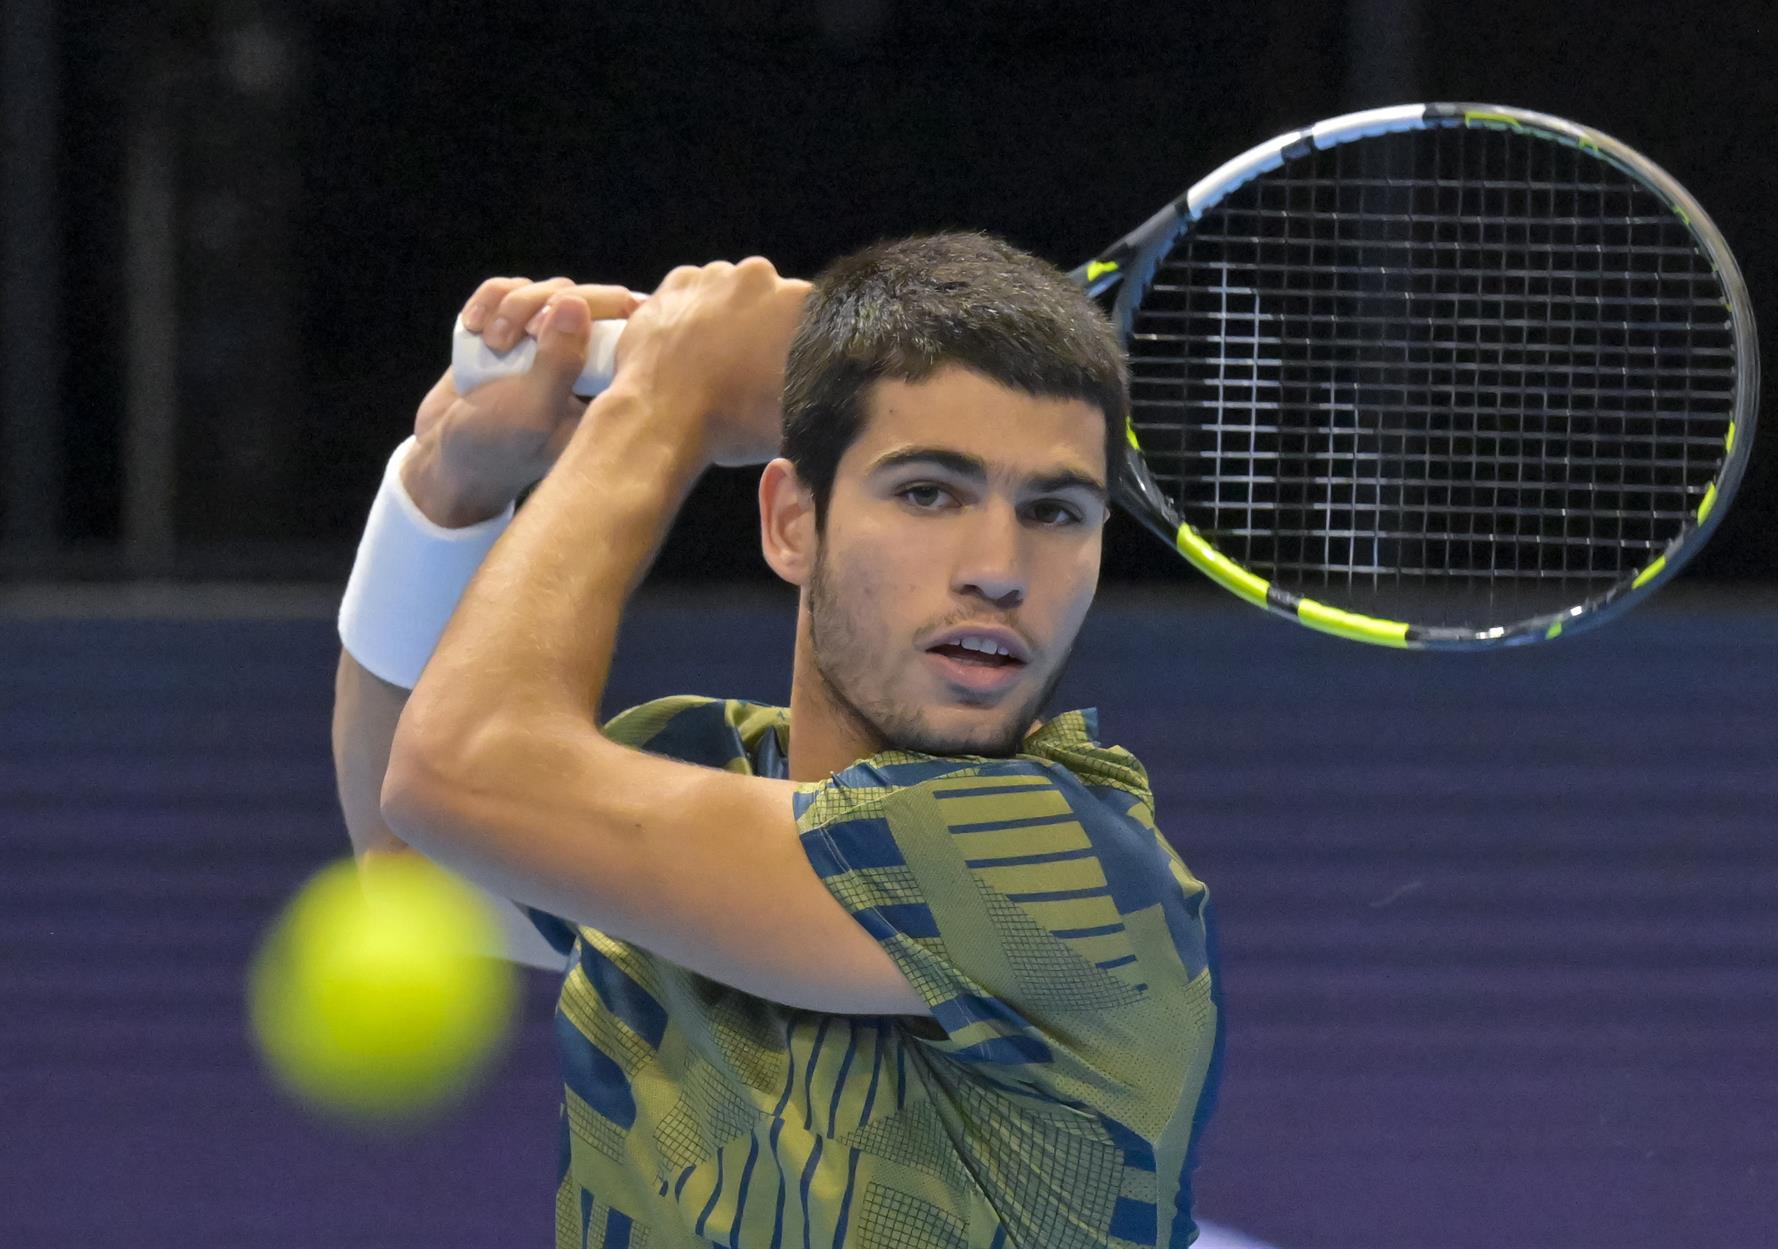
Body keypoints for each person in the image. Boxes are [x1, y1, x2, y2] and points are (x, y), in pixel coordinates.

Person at [333, 232, 1224, 1249]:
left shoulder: (1062, 867)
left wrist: (665, 400)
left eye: (1055, 511)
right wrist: (446, 491)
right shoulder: (700, 762)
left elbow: (452, 772)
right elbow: (414, 860)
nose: (999, 567)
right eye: (929, 492)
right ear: (794, 521)